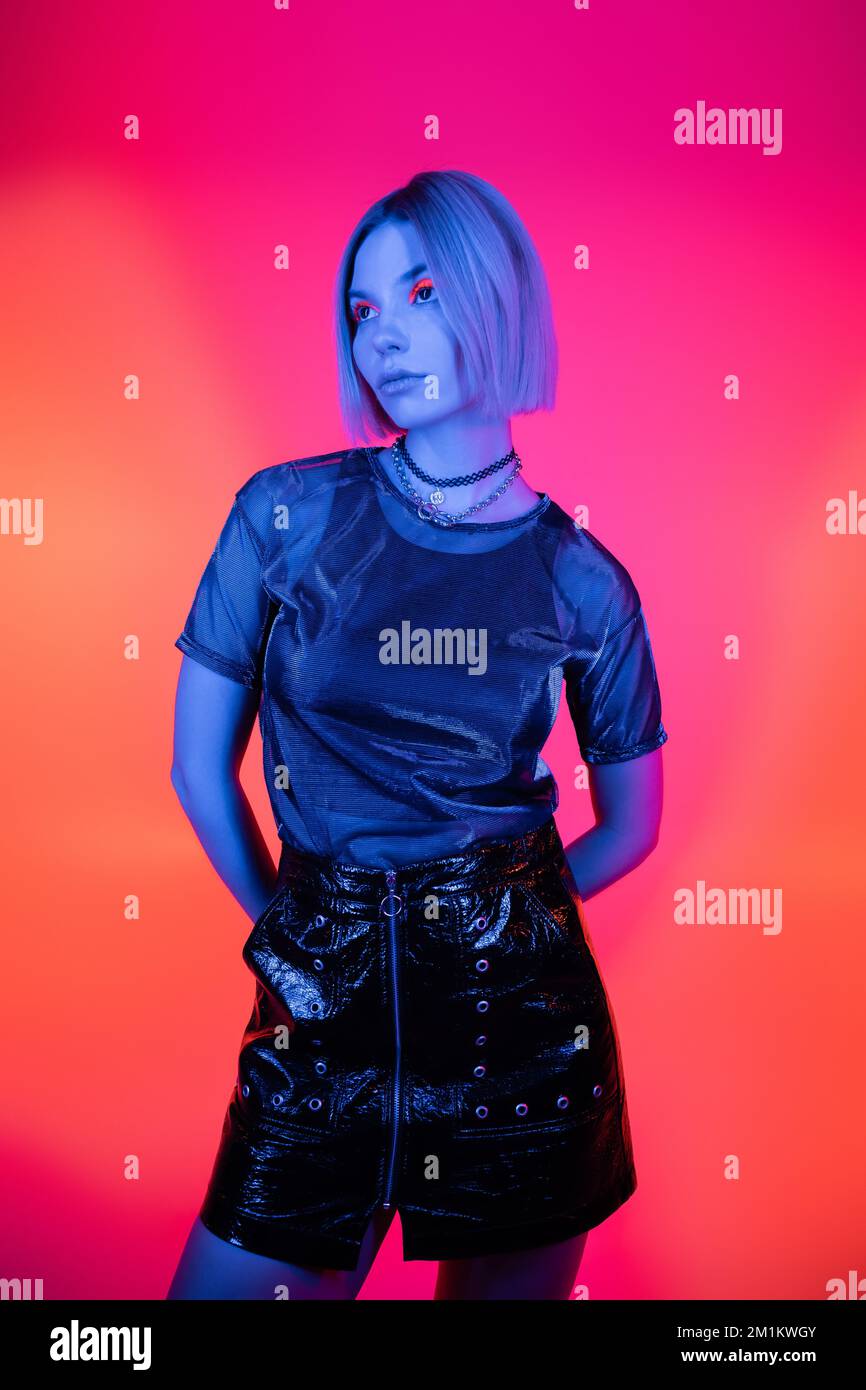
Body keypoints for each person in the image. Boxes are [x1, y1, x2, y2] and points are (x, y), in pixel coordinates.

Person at [166, 170, 667, 1301]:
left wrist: (499, 924)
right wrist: (306, 934)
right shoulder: (284, 514)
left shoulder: (582, 582)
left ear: (496, 298)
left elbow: (632, 825)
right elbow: (201, 770)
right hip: (319, 1034)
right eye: (361, 309)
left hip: (521, 1048)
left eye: (422, 290)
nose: (382, 335)